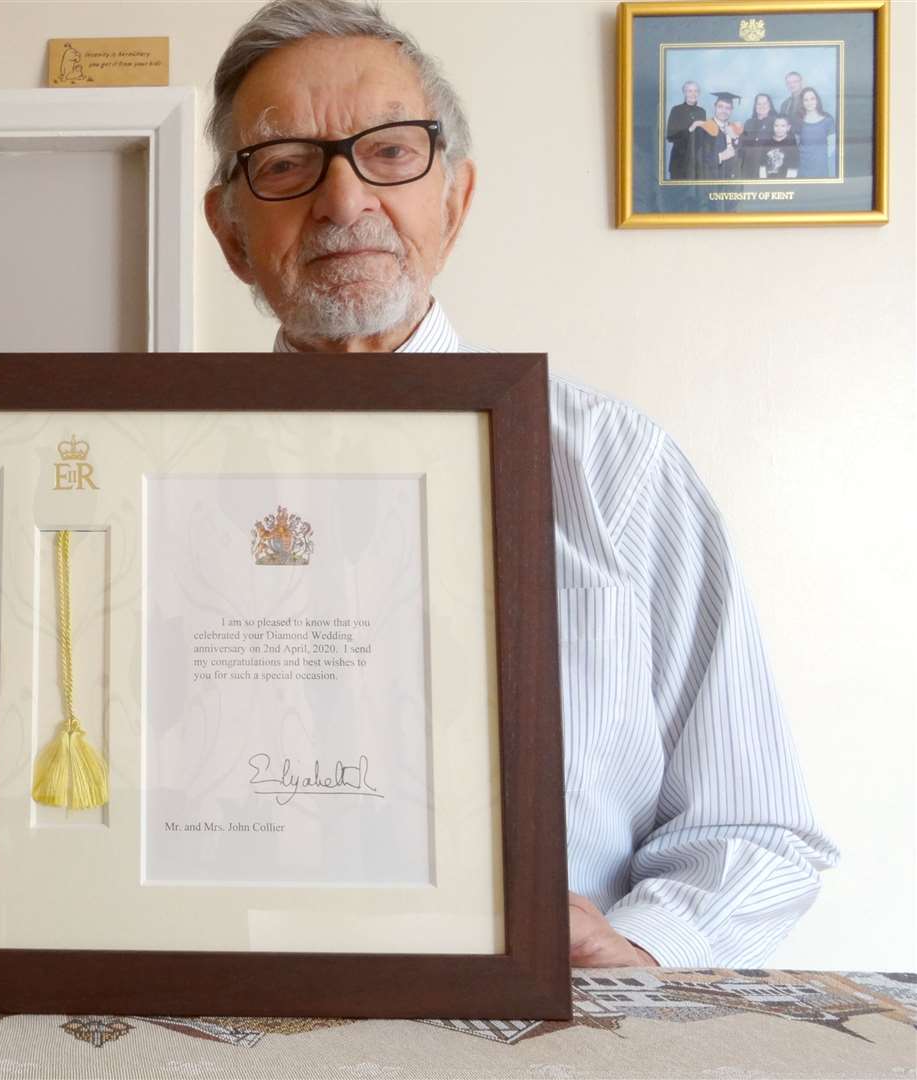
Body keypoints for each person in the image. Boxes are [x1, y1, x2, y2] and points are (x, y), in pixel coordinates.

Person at [203, 0, 837, 967]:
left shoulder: (613, 468)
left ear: (453, 201)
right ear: (231, 230)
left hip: (553, 1029)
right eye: (285, 163)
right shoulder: (159, 483)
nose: (342, 202)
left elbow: (755, 829)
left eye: (388, 151)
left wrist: (638, 945)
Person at [689, 91, 743, 180]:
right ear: (715, 107)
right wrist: (720, 157)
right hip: (711, 181)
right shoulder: (703, 128)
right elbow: (696, 159)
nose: (724, 111)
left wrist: (736, 138)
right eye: (720, 107)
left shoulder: (735, 129)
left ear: (731, 110)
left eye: (728, 108)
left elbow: (742, 157)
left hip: (730, 183)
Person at [664, 81, 705, 180]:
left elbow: (702, 138)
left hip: (696, 161)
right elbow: (670, 136)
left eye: (696, 91)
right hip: (679, 160)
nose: (693, 94)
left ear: (699, 93)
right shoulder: (676, 110)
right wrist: (691, 128)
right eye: (690, 91)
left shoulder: (702, 111)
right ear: (684, 92)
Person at [795, 87, 836, 178]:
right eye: (806, 100)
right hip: (803, 165)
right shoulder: (799, 120)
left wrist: (820, 158)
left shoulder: (828, 120)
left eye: (812, 99)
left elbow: (832, 146)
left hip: (820, 165)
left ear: (817, 100)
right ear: (802, 103)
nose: (809, 102)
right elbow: (797, 143)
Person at [739, 92, 778, 177]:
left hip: (766, 167)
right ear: (755, 106)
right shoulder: (748, 123)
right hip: (748, 166)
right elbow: (742, 145)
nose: (762, 106)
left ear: (770, 106)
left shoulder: (775, 122)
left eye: (765, 103)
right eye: (759, 104)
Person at [759, 115, 801, 179]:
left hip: (786, 182)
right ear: (772, 126)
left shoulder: (792, 144)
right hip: (768, 182)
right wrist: (763, 181)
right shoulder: (767, 143)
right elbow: (762, 165)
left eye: (783, 126)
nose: (779, 129)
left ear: (788, 127)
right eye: (776, 125)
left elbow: (793, 167)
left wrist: (787, 183)